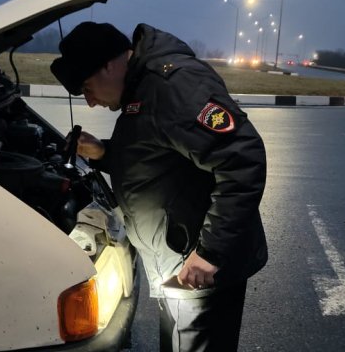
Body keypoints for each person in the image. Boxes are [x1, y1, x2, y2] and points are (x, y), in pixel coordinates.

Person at [50, 22, 268, 352]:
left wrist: (209, 253)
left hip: (200, 270)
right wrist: (105, 153)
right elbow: (161, 154)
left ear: (109, 65)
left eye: (87, 88)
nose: (90, 102)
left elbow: (243, 160)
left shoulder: (172, 87)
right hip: (181, 264)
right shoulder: (142, 86)